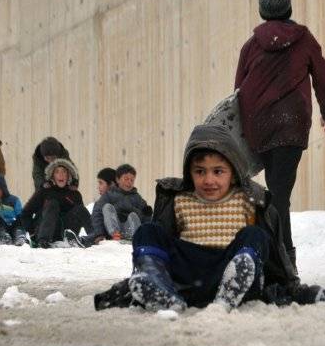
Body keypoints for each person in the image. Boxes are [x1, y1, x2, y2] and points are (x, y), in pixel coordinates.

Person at [126, 124, 300, 311]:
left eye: (218, 171)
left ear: (233, 173)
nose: (209, 180)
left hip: (230, 268)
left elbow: (275, 254)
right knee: (147, 231)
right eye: (200, 171)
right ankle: (158, 286)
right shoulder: (178, 199)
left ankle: (231, 290)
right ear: (189, 173)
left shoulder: (249, 200)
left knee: (255, 235)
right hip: (187, 275)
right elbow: (165, 241)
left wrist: (291, 287)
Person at [235, 0, 325, 268]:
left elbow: (239, 90)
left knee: (277, 190)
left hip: (260, 124)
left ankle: (279, 255)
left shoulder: (251, 46)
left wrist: (244, 128)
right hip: (292, 122)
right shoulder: (303, 40)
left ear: (262, 10)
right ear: (288, 7)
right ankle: (284, 257)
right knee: (280, 193)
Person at [19, 159, 90, 247]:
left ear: (68, 175)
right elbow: (25, 213)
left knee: (80, 209)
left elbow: (81, 216)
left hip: (65, 232)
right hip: (44, 232)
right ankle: (43, 241)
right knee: (52, 203)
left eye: (64, 172)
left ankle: (95, 238)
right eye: (57, 172)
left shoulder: (75, 194)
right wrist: (32, 233)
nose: (61, 174)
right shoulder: (44, 191)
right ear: (52, 176)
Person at [95, 163, 152, 241]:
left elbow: (146, 218)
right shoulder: (109, 195)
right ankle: (115, 235)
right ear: (118, 180)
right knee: (107, 207)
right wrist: (99, 233)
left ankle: (134, 237)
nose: (129, 182)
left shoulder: (137, 198)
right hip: (113, 229)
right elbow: (97, 214)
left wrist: (147, 213)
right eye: (126, 179)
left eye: (132, 180)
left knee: (133, 215)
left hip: (130, 229)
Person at [90, 167, 117, 240]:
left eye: (101, 183)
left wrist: (99, 235)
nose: (98, 187)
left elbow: (96, 216)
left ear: (111, 184)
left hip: (112, 236)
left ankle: (82, 240)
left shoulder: (104, 200)